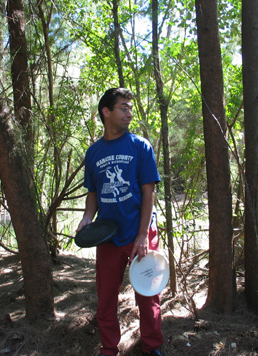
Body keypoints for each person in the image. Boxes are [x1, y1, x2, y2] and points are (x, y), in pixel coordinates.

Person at [76, 88, 164, 356]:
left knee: (148, 296)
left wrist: (141, 236)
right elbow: (93, 192)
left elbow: (149, 191)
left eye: (130, 108)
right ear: (106, 112)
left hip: (141, 231)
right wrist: (87, 218)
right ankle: (108, 349)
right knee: (106, 298)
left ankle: (152, 347)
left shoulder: (140, 146)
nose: (129, 113)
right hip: (109, 235)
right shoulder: (93, 153)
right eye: (123, 107)